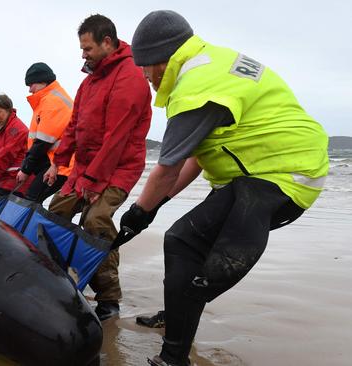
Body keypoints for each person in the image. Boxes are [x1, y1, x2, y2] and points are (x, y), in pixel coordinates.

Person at [121, 10, 329, 366]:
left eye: (144, 65)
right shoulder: (211, 63)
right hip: (257, 169)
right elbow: (197, 159)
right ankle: (178, 316)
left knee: (190, 249)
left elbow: (168, 167)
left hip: (282, 172)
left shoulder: (195, 88)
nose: (144, 74)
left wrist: (139, 211)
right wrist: (157, 204)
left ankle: (173, 357)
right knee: (183, 242)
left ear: (162, 59)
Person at [43, 14, 152, 321]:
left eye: (87, 48)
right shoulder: (89, 81)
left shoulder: (130, 76)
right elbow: (75, 126)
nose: (83, 54)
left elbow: (116, 137)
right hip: (85, 168)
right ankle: (56, 278)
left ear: (107, 42)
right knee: (56, 213)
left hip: (119, 168)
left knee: (96, 222)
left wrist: (94, 182)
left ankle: (108, 299)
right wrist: (59, 163)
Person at [16, 62, 74, 203]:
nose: (30, 90)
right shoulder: (51, 98)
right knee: (34, 199)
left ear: (42, 81)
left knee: (31, 199)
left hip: (63, 165)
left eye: (31, 85)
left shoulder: (52, 102)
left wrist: (25, 170)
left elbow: (42, 143)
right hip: (56, 162)